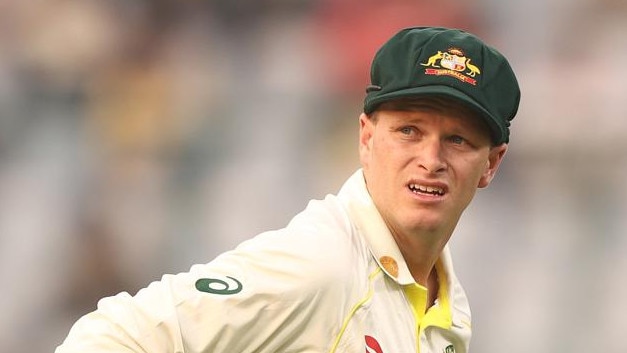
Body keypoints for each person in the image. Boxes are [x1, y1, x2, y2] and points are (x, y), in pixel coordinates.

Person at [55, 26, 520, 353]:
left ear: (491, 164)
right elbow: (113, 337)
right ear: (365, 137)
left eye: (457, 140)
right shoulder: (322, 266)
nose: (431, 159)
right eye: (409, 131)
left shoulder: (449, 308)